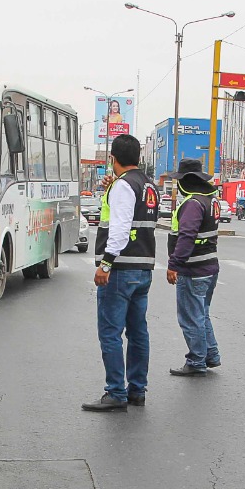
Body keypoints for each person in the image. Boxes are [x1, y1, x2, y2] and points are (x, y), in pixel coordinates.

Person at [84, 134, 158, 412]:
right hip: (143, 267)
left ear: (113, 158)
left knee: (110, 332)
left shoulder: (124, 186)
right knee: (138, 332)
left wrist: (106, 264)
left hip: (121, 269)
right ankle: (137, 390)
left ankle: (116, 392)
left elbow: (120, 228)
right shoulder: (148, 185)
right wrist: (112, 187)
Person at [166, 158, 220, 377]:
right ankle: (210, 355)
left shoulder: (193, 203)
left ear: (185, 181)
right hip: (210, 266)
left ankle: (197, 361)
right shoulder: (210, 200)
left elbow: (187, 236)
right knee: (202, 314)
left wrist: (174, 264)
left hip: (193, 269)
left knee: (191, 318)